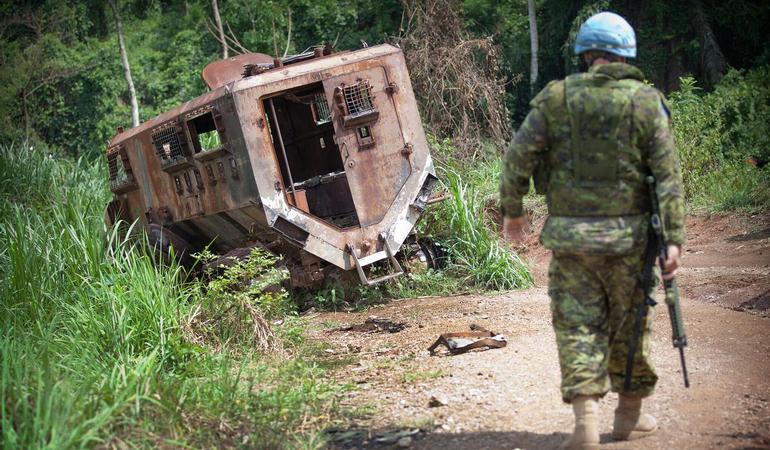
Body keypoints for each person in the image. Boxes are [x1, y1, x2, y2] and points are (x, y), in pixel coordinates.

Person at [499, 11, 685, 450]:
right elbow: (668, 176)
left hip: (571, 241)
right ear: (625, 55)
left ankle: (585, 424)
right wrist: (673, 238)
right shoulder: (646, 101)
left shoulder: (556, 99)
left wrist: (514, 212)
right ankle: (626, 419)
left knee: (577, 326)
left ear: (585, 54)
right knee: (631, 324)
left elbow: (517, 158)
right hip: (630, 243)